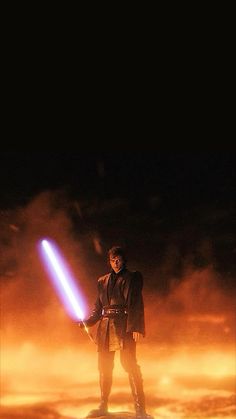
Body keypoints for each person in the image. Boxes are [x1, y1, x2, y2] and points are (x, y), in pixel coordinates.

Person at [78, 246, 153, 419]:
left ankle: (140, 410)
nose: (116, 262)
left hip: (124, 325)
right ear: (109, 261)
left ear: (123, 260)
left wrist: (136, 327)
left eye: (118, 259)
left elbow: (135, 303)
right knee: (104, 368)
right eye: (113, 259)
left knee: (129, 365)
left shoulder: (133, 277)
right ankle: (103, 405)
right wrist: (88, 322)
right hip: (105, 327)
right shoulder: (102, 281)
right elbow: (98, 309)